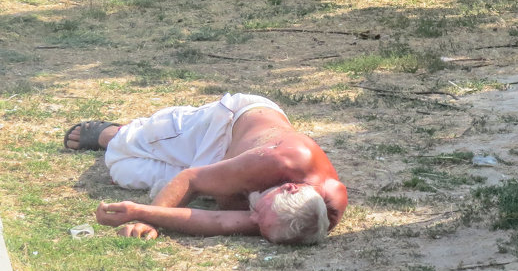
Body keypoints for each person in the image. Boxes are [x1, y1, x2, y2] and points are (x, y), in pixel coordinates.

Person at [64, 93, 348, 245]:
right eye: (258, 212)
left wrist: (142, 212)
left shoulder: (295, 221)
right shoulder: (283, 160)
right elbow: (191, 179)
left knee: (121, 171)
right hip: (225, 127)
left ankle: (149, 152)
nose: (251, 217)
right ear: (289, 187)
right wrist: (151, 223)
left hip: (224, 169)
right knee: (124, 146)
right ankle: (114, 133)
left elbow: (222, 223)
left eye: (256, 221)